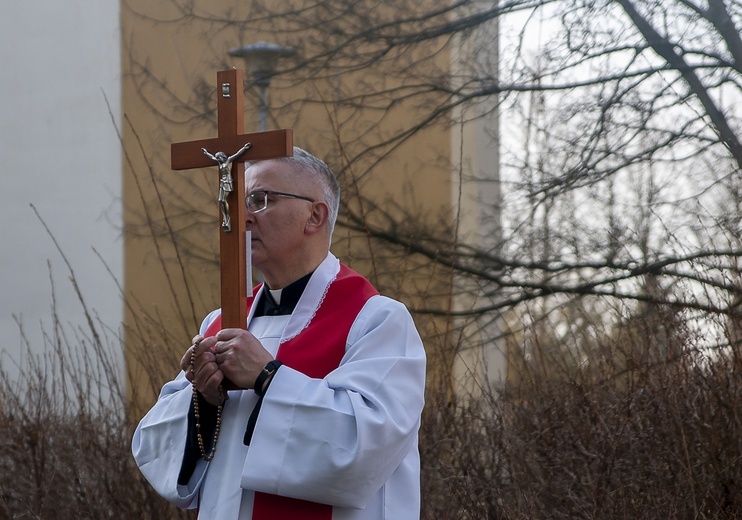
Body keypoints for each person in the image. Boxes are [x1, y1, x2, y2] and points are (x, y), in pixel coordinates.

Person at [132, 147, 427, 519]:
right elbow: (153, 449)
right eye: (238, 202)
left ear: (314, 215)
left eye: (260, 200)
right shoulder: (220, 323)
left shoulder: (376, 320)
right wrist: (204, 399)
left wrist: (267, 377)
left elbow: (366, 445)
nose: (243, 218)